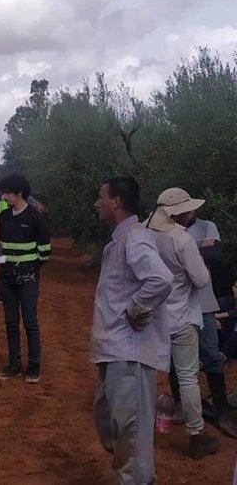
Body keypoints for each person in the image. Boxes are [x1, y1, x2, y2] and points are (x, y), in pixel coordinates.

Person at [91, 175, 173, 484]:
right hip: (114, 350)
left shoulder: (135, 237)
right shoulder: (121, 239)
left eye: (102, 196)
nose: (97, 203)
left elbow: (160, 280)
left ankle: (137, 478)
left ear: (116, 201)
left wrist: (136, 308)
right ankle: (137, 474)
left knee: (130, 430)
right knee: (112, 423)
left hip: (130, 352)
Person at [144, 188, 221, 458]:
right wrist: (199, 258)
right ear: (179, 212)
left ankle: (139, 428)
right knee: (188, 377)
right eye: (189, 209)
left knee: (147, 372)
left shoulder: (144, 232)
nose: (192, 212)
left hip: (151, 316)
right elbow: (201, 280)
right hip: (181, 316)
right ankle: (196, 434)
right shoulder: (181, 238)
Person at [167, 198, 237, 437]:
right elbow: (204, 249)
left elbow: (215, 251)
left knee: (211, 354)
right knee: (175, 357)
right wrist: (198, 247)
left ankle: (221, 408)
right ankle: (181, 405)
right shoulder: (168, 232)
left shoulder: (208, 225)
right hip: (177, 304)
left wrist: (183, 247)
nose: (190, 211)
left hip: (204, 302)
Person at [0, 174, 51, 383]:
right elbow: (3, 246)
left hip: (29, 279)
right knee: (11, 322)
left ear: (19, 193)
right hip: (7, 279)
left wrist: (29, 268)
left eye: (7, 192)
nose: (3, 196)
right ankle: (14, 364)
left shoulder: (36, 217)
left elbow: (44, 252)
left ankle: (34, 366)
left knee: (30, 322)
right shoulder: (4, 216)